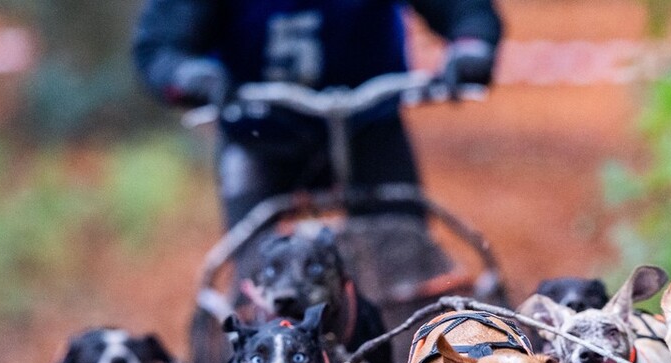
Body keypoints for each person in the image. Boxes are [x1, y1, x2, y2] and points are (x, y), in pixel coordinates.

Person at [132, 0, 502, 229]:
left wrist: (470, 44)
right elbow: (161, 44)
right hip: (259, 133)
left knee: (405, 251)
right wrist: (187, 74)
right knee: (251, 270)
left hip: (368, 126)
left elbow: (463, 9)